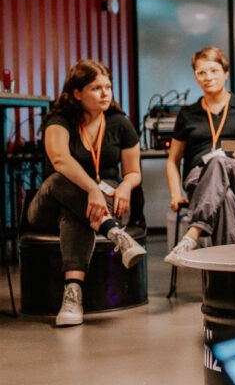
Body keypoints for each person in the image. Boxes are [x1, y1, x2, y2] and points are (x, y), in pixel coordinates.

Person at [25, 59, 146, 327]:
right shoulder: (59, 121)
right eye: (96, 88)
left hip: (103, 204)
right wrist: (92, 188)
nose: (105, 93)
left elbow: (133, 171)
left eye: (108, 87)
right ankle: (115, 234)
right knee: (59, 179)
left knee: (76, 215)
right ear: (77, 93)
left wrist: (125, 186)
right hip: (50, 204)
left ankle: (72, 294)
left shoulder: (119, 123)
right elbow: (59, 160)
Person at [163, 46, 235, 264]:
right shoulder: (187, 114)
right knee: (225, 197)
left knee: (220, 162)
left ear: (225, 72)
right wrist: (176, 194)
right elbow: (172, 161)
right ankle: (230, 271)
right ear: (195, 77)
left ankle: (193, 233)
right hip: (200, 179)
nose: (208, 77)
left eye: (213, 70)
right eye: (201, 72)